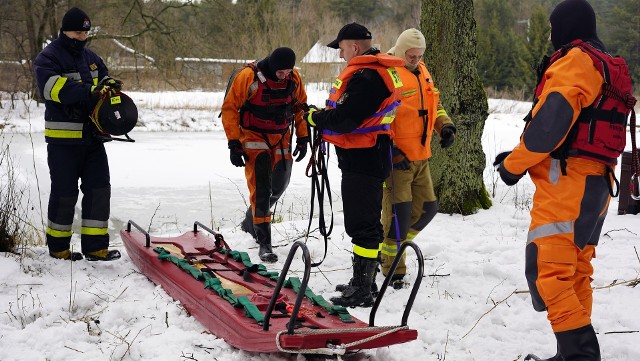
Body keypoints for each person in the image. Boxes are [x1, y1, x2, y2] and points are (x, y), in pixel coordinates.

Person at [495, 1, 634, 360]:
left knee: (549, 272)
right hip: (598, 183)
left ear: (565, 28)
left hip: (568, 185)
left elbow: (548, 128)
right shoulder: (605, 63)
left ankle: (579, 356)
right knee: (575, 272)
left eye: (553, 29)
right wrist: (515, 157)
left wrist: (513, 166)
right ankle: (568, 353)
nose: (551, 37)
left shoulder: (576, 60)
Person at [304, 23, 404, 307]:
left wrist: (315, 119)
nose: (340, 56)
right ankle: (364, 280)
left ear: (355, 47)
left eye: (343, 49)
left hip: (364, 158)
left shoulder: (368, 78)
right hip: (368, 154)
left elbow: (347, 120)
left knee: (362, 225)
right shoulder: (374, 73)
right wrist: (323, 115)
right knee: (364, 222)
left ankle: (363, 288)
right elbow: (351, 114)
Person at [34, 7, 124, 261]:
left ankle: (96, 248)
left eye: (85, 33)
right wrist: (89, 91)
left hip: (93, 139)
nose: (82, 38)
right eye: (77, 32)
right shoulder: (48, 57)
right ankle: (59, 249)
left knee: (99, 190)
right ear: (64, 30)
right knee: (65, 193)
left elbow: (103, 83)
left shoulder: (92, 58)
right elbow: (52, 88)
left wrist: (109, 87)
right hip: (63, 142)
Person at [380, 29, 456, 289]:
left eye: (419, 55)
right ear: (401, 50)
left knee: (428, 208)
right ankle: (393, 269)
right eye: (411, 55)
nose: (415, 59)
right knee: (398, 215)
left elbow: (435, 105)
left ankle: (392, 245)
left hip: (421, 156)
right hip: (397, 161)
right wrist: (392, 151)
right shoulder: (388, 74)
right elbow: (379, 120)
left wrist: (445, 126)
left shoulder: (422, 70)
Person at [221, 47, 309, 263]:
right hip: (253, 136)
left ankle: (251, 220)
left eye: (288, 71)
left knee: (280, 183)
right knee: (262, 187)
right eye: (281, 72)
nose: (285, 76)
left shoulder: (293, 79)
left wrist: (303, 137)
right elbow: (230, 109)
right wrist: (233, 143)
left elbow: (300, 108)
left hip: (281, 136)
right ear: (272, 67)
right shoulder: (248, 77)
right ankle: (264, 242)